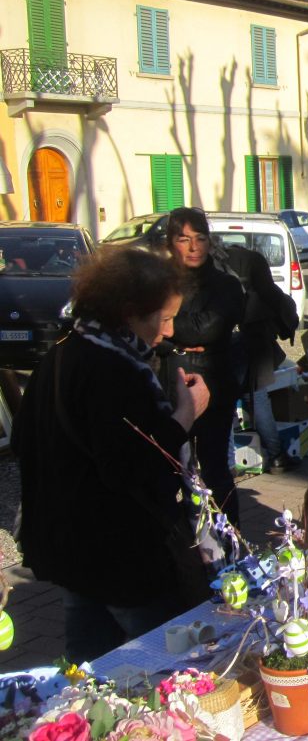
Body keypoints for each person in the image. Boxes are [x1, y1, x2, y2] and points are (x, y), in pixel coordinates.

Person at [14, 248, 211, 662]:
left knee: (89, 667)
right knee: (169, 663)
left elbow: (23, 443)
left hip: (70, 550)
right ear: (129, 313)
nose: (170, 332)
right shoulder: (117, 372)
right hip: (123, 557)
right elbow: (131, 466)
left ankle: (86, 724)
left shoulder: (61, 353)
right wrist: (185, 414)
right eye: (164, 318)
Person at [163, 207, 245, 524]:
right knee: (173, 472)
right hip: (168, 385)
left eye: (200, 238)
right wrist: (174, 338)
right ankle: (188, 546)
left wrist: (170, 329)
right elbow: (147, 329)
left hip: (213, 387)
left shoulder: (225, 284)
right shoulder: (159, 283)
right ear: (171, 243)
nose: (194, 247)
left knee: (213, 471)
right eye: (185, 239)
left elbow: (210, 327)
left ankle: (230, 542)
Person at [220, 242, 301, 474]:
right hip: (253, 340)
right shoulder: (252, 260)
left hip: (222, 341)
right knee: (258, 397)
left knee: (225, 403)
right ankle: (276, 456)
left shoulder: (212, 265)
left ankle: (229, 463)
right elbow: (272, 295)